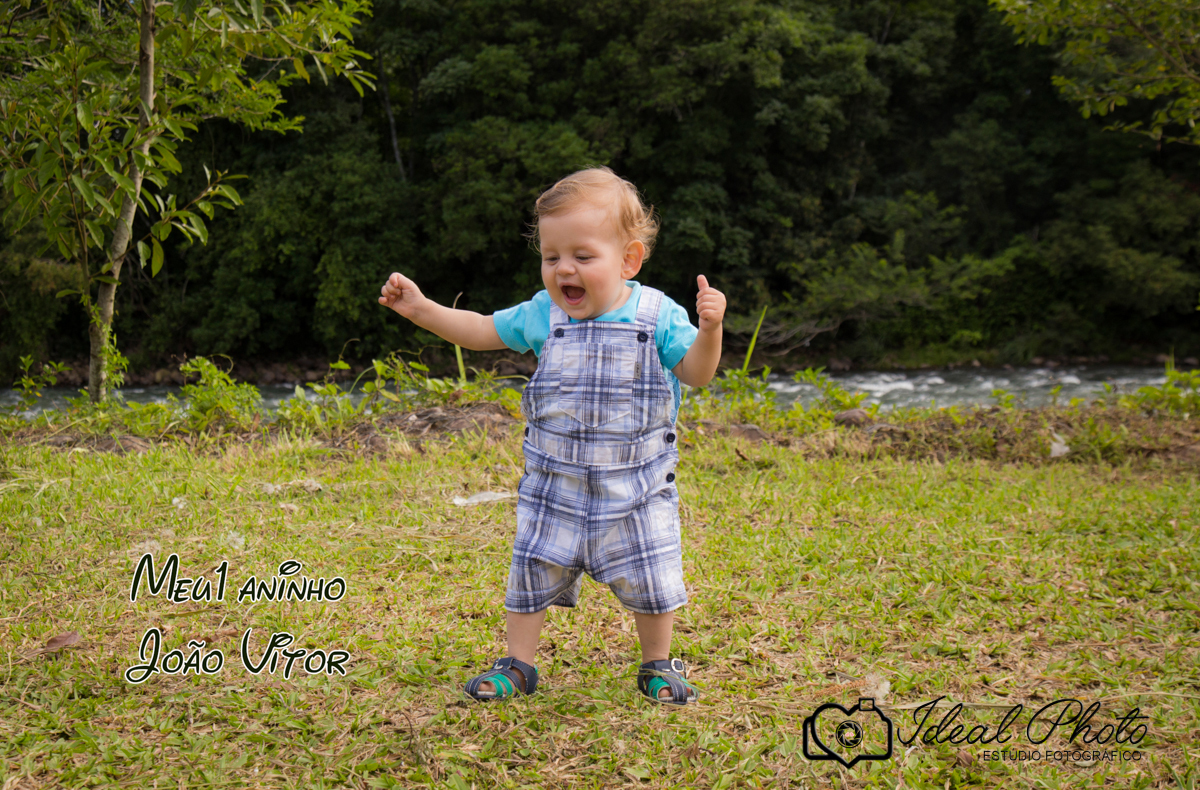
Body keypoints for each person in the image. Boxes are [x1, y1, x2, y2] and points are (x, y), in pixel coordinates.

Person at [378, 166, 726, 705]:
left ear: (628, 260)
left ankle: (658, 663)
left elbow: (698, 374)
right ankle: (519, 664)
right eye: (551, 257)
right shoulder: (545, 314)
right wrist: (422, 309)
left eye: (582, 257)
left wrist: (711, 330)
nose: (564, 269)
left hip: (634, 489)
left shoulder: (658, 316)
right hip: (555, 488)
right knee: (531, 568)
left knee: (652, 576)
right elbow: (480, 329)